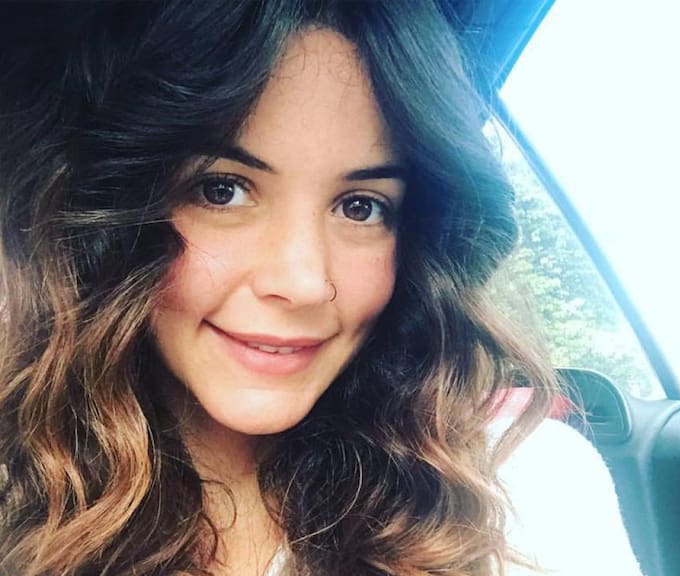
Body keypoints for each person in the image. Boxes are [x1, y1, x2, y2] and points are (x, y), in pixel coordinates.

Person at [0, 1, 644, 575]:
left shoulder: (526, 487)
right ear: (104, 218)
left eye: (361, 207)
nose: (305, 283)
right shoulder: (17, 496)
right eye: (221, 190)